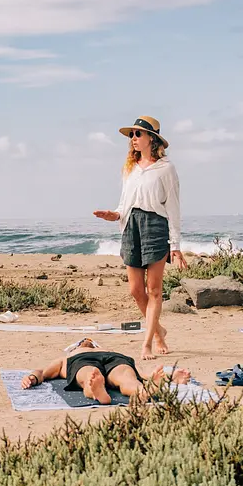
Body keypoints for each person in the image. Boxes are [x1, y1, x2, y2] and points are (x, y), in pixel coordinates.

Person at [94, 116, 187, 361]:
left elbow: (174, 207)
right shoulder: (130, 168)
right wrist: (113, 215)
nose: (133, 139)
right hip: (130, 227)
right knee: (136, 290)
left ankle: (150, 341)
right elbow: (124, 204)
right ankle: (158, 328)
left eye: (138, 134)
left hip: (156, 226)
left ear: (151, 138)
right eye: (131, 135)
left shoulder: (166, 168)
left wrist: (175, 245)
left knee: (154, 290)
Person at [21, 338, 191, 404]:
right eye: (83, 341)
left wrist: (169, 376)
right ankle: (98, 390)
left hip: (112, 358)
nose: (86, 341)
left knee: (125, 376)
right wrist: (31, 378)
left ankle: (143, 390)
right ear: (75, 346)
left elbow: (142, 372)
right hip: (86, 360)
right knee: (92, 375)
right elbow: (42, 372)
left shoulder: (71, 355)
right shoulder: (67, 357)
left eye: (89, 341)